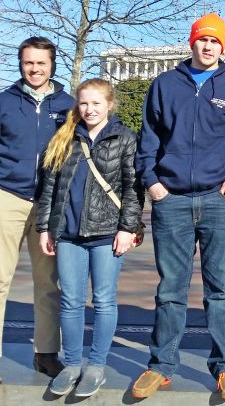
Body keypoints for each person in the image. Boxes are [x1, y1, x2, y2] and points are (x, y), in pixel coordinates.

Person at [131, 12, 225, 401]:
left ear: (224, 46)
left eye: (215, 41)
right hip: (171, 201)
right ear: (192, 42)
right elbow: (148, 140)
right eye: (202, 40)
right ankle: (161, 366)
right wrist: (153, 185)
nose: (208, 47)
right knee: (170, 288)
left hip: (220, 202)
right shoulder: (165, 85)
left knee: (220, 289)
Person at [36, 79, 143, 397]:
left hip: (108, 233)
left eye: (96, 103)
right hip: (68, 233)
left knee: (104, 300)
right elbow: (50, 188)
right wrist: (45, 227)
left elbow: (132, 188)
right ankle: (71, 364)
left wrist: (128, 227)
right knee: (70, 300)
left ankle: (95, 365)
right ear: (77, 106)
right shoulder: (65, 138)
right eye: (84, 103)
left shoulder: (125, 138)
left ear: (109, 104)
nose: (89, 109)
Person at [0, 37, 73, 380]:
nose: (35, 69)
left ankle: (45, 353)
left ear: (52, 64)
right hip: (7, 198)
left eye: (41, 63)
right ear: (21, 64)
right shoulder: (5, 102)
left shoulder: (69, 106)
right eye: (29, 62)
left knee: (48, 282)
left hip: (48, 205)